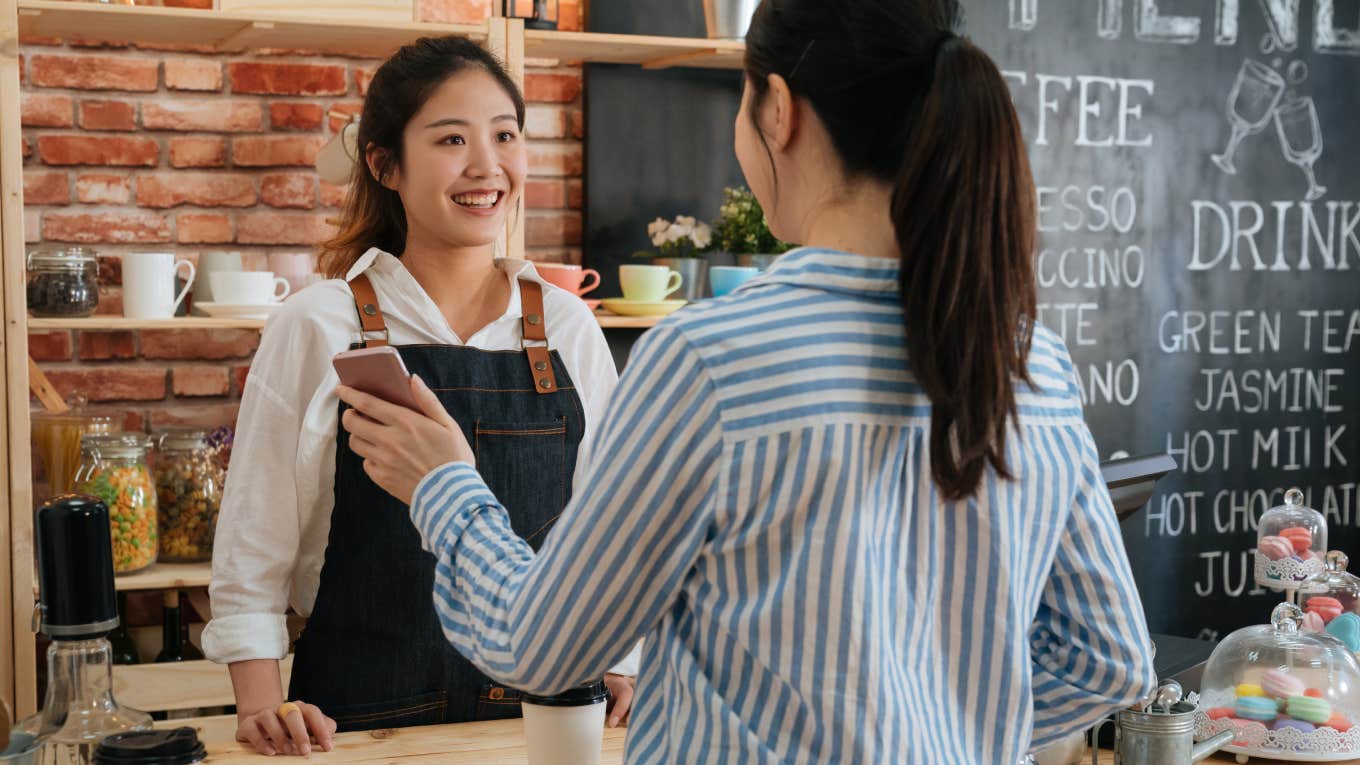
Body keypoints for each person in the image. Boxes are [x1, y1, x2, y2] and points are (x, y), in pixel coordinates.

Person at [337, 1, 1157, 761]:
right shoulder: (1032, 364)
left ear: (776, 109)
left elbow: (542, 645)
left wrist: (445, 485)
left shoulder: (709, 360)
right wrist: (938, 727)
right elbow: (1109, 660)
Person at [202, 35, 637, 757]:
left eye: (505, 136)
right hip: (350, 727)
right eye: (452, 139)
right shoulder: (318, 324)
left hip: (536, 726)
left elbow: (615, 526)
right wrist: (259, 706)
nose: (486, 165)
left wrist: (620, 660)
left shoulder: (565, 327)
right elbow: (255, 546)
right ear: (384, 163)